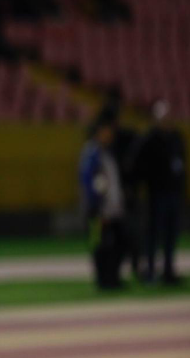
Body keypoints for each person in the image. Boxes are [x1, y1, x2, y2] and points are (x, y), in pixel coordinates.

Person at [131, 99, 186, 284]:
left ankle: (168, 270)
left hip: (173, 193)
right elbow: (136, 163)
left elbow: (181, 163)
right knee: (153, 234)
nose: (167, 120)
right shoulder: (149, 138)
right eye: (163, 117)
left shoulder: (176, 137)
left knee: (171, 234)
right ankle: (150, 269)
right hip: (157, 194)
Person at [79, 113, 127, 289]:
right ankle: (103, 280)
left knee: (119, 243)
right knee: (100, 245)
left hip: (114, 209)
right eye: (106, 132)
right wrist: (97, 207)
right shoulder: (92, 153)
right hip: (98, 210)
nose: (109, 135)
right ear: (99, 132)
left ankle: (112, 277)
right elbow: (90, 182)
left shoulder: (109, 152)